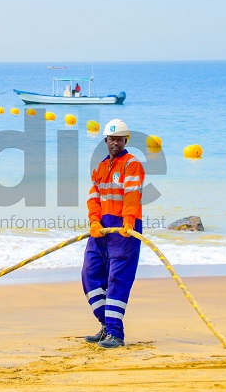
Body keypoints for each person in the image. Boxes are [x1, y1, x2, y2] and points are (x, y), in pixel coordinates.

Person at [81, 118, 145, 349]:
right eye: (112, 139)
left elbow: (131, 194)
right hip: (101, 230)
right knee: (90, 275)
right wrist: (94, 221)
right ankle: (107, 325)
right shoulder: (100, 167)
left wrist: (128, 221)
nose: (115, 143)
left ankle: (116, 334)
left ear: (125, 140)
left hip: (124, 229)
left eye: (119, 139)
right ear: (105, 140)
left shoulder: (131, 164)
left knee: (117, 280)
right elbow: (93, 197)